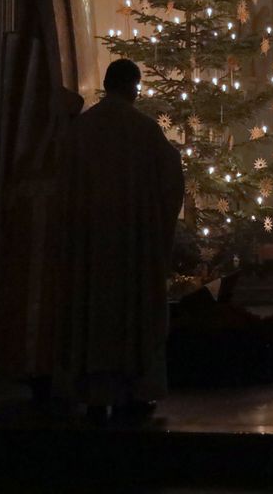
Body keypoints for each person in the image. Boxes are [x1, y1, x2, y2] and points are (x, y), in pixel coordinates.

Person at [53, 60, 184, 424]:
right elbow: (172, 182)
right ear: (132, 87)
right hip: (133, 249)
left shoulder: (81, 131)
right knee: (132, 315)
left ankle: (93, 393)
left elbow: (61, 188)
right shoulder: (144, 130)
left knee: (91, 314)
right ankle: (135, 392)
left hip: (89, 249)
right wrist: (155, 228)